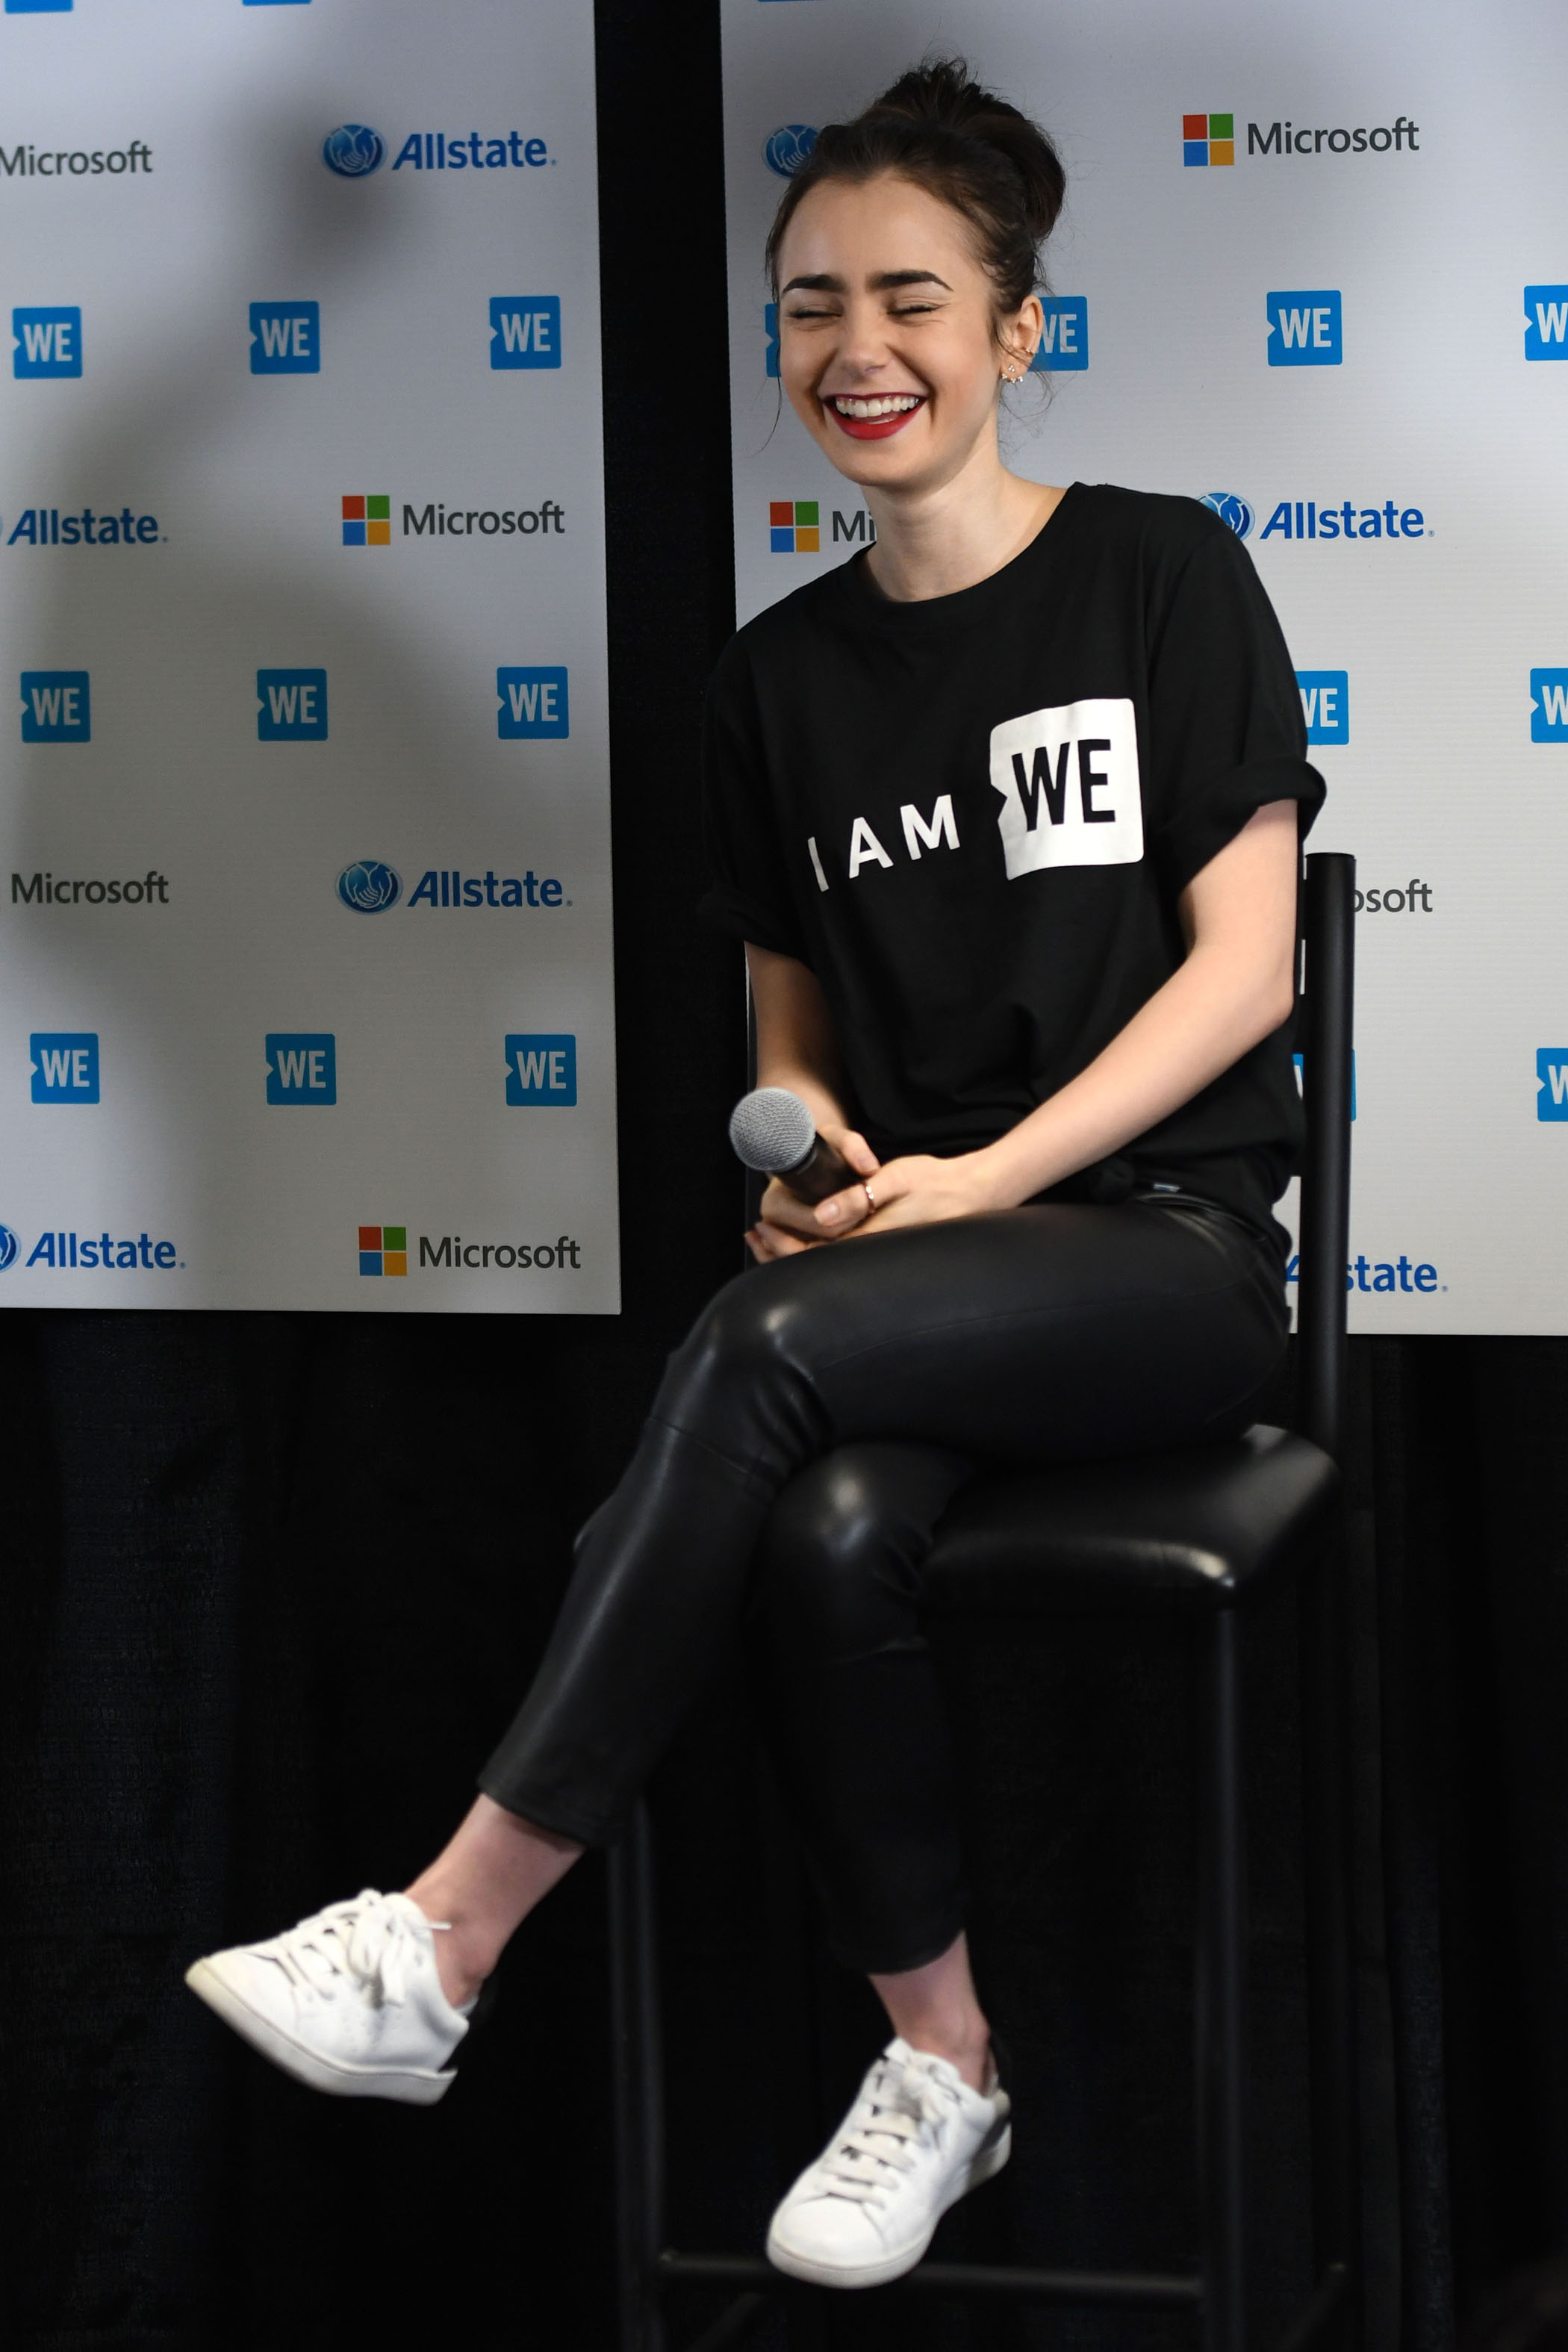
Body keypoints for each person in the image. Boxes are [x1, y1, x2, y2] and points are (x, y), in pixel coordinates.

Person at [186, 58, 1324, 2292]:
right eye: (810, 305)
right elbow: (789, 1049)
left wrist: (988, 1176)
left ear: (1016, 326)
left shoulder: (1159, 574)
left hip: (1162, 1261)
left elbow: (1245, 976)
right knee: (810, 1508)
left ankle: (441, 1940)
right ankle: (947, 2067)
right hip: (912, 1277)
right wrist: (800, 1174)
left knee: (770, 1360)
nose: (853, 349)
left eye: (909, 295)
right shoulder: (772, 683)